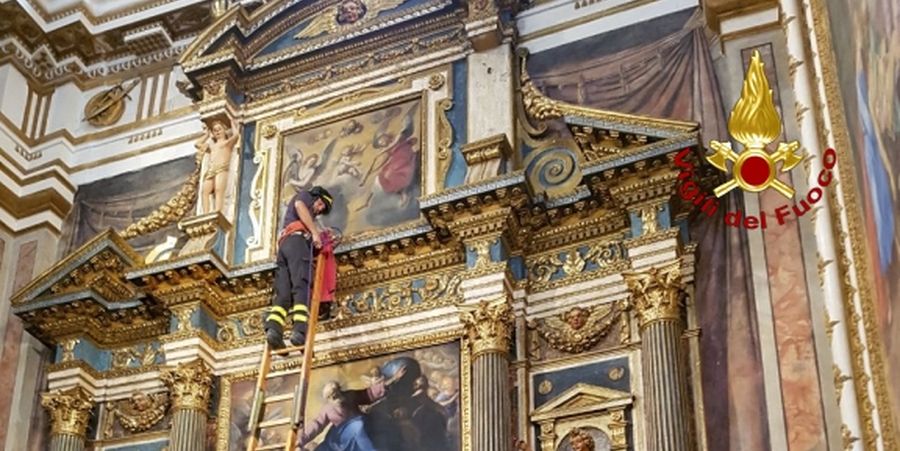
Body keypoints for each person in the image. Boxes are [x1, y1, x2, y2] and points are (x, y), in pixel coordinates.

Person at [264, 186, 334, 349]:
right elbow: (300, 206)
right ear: (316, 197)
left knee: (284, 291)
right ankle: (300, 331)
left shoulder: (303, 221)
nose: (320, 210)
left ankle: (274, 330)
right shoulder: (304, 197)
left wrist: (319, 234)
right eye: (321, 204)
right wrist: (316, 234)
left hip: (285, 247)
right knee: (301, 285)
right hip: (296, 243)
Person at [300, 365, 408, 450]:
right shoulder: (327, 410)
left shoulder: (349, 396)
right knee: (357, 425)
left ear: (340, 390)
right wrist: (300, 440)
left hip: (363, 427)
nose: (336, 396)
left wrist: (393, 379)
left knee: (373, 425)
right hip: (344, 437)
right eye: (332, 396)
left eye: (337, 392)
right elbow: (317, 424)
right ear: (329, 398)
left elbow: (369, 394)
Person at [195, 118, 239, 214]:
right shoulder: (211, 146)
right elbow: (197, 144)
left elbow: (236, 135)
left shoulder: (227, 144)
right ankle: (205, 214)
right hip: (211, 170)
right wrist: (207, 134)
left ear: (224, 130)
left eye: (219, 129)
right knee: (204, 191)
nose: (217, 131)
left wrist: (232, 123)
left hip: (222, 169)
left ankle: (218, 211)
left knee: (219, 190)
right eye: (215, 130)